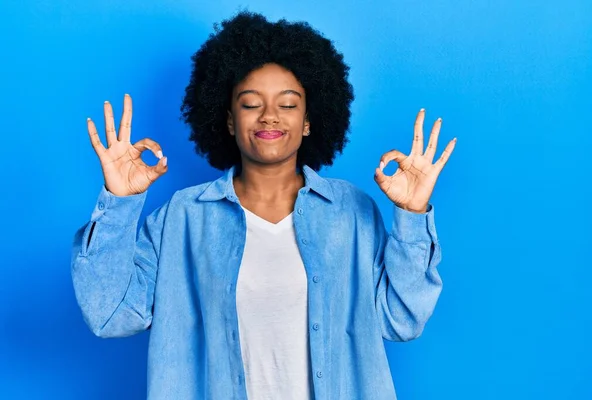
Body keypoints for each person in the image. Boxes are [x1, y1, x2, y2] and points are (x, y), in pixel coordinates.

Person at [71, 11, 456, 400]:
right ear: (229, 121)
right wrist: (119, 201)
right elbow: (110, 313)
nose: (269, 115)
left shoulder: (351, 213)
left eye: (288, 105)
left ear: (308, 120)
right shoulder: (182, 218)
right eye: (251, 103)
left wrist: (412, 216)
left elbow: (404, 319)